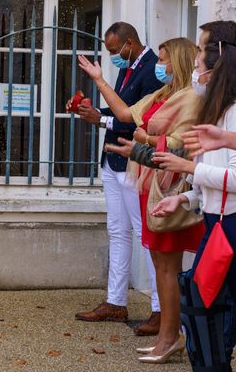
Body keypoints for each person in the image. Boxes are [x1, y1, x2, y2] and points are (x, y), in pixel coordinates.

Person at [79, 37, 205, 364]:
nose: (158, 66)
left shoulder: (191, 98)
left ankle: (170, 335)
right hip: (149, 184)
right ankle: (168, 335)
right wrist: (99, 78)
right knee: (161, 265)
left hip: (169, 187)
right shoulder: (163, 94)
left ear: (176, 61)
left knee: (167, 266)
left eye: (163, 60)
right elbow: (124, 112)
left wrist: (143, 138)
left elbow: (181, 144)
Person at [150, 23, 236, 369]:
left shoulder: (232, 113)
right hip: (216, 226)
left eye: (201, 51)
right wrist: (185, 200)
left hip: (230, 229)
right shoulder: (215, 110)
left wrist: (187, 169)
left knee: (211, 316)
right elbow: (210, 183)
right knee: (206, 316)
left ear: (219, 60)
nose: (196, 61)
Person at [72, 22, 162, 336]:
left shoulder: (153, 69)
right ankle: (115, 301)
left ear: (129, 43)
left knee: (144, 234)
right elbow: (118, 107)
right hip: (111, 161)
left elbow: (143, 121)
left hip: (133, 162)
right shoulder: (129, 66)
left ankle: (160, 308)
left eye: (115, 51)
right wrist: (93, 111)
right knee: (117, 231)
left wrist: (103, 119)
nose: (113, 57)